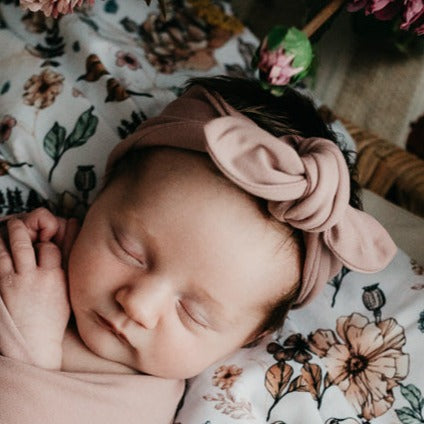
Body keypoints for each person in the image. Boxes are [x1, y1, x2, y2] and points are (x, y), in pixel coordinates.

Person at [0, 76, 397, 422]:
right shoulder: (34, 253)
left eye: (194, 313)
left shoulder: (139, 402)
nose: (139, 305)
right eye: (128, 250)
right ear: (102, 196)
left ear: (247, 337)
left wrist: (31, 353)